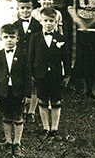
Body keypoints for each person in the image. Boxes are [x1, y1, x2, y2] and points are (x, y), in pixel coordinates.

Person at [28, 7, 71, 139]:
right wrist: (31, 74)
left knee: (56, 100)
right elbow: (31, 57)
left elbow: (66, 58)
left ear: (56, 23)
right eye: (45, 20)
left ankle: (55, 129)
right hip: (40, 74)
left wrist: (67, 75)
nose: (48, 23)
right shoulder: (35, 37)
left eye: (51, 21)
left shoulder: (61, 38)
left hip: (55, 74)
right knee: (43, 99)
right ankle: (45, 127)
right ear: (41, 21)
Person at [0, 23, 32, 157]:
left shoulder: (23, 55)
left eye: (12, 37)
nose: (9, 40)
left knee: (18, 116)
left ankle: (17, 143)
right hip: (4, 91)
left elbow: (27, 75)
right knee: (7, 116)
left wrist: (27, 93)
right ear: (0, 38)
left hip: (18, 91)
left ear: (17, 39)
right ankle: (8, 142)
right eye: (6, 37)